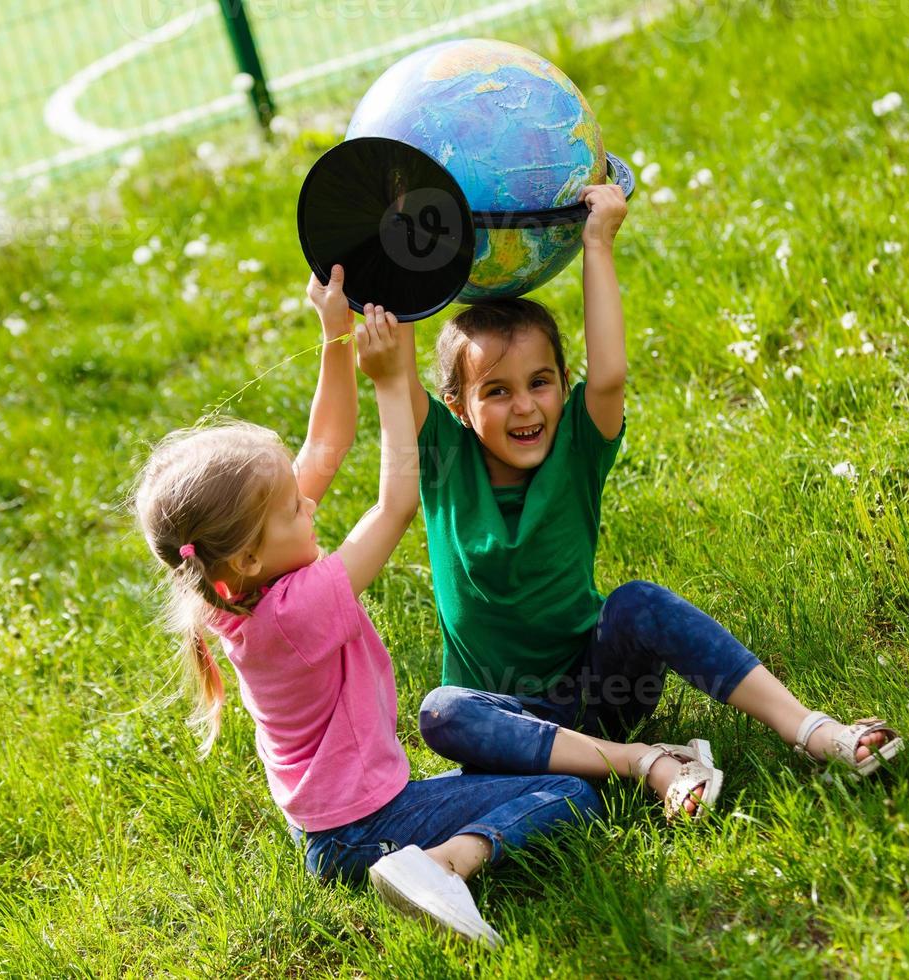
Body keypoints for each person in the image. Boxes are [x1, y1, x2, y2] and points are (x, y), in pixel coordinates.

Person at [133, 267, 601, 947]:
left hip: (334, 827)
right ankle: (445, 866)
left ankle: (426, 853)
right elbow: (396, 504)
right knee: (572, 794)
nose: (310, 502)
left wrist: (335, 336)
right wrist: (389, 383)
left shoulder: (230, 591)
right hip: (364, 830)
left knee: (513, 769)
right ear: (250, 557)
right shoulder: (295, 610)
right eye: (294, 507)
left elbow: (325, 446)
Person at [407, 184, 905, 820]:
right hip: (507, 725)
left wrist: (597, 243)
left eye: (541, 382)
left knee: (639, 601)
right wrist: (395, 258)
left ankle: (812, 730)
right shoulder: (443, 463)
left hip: (602, 691)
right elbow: (394, 368)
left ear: (563, 384)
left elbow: (609, 374)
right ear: (458, 409)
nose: (526, 405)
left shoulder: (577, 446)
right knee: (441, 710)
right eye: (497, 392)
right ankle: (648, 762)